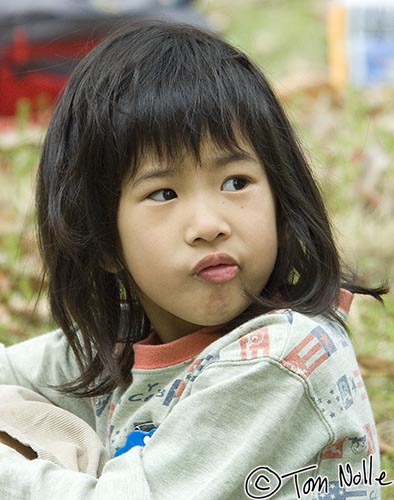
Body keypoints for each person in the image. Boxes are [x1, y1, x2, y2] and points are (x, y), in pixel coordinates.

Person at [0, 19, 389, 500]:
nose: (209, 224)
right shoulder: (118, 346)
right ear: (103, 240)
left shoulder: (286, 355)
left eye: (235, 182)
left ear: (281, 198)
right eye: (164, 193)